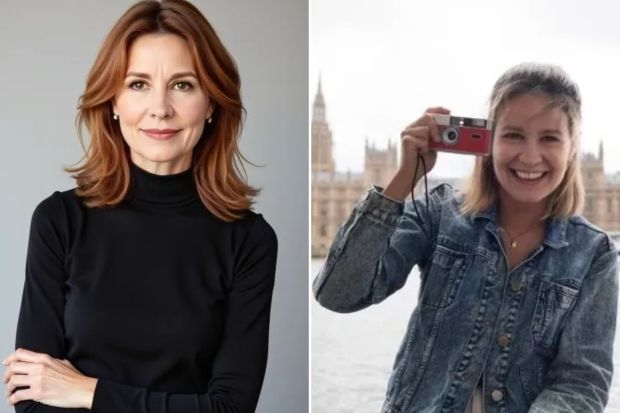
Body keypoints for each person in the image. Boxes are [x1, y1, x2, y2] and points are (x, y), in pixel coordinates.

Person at [2, 1, 278, 411]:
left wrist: (86, 391)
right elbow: (30, 396)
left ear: (212, 104)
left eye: (183, 85)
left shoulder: (249, 239)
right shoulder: (58, 220)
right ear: (112, 101)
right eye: (138, 84)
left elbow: (231, 407)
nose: (160, 108)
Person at [313, 63, 618, 413]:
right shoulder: (439, 215)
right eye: (513, 135)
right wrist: (402, 180)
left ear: (572, 149)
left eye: (549, 138)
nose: (530, 156)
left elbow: (580, 384)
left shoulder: (595, 254)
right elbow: (338, 294)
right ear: (487, 142)